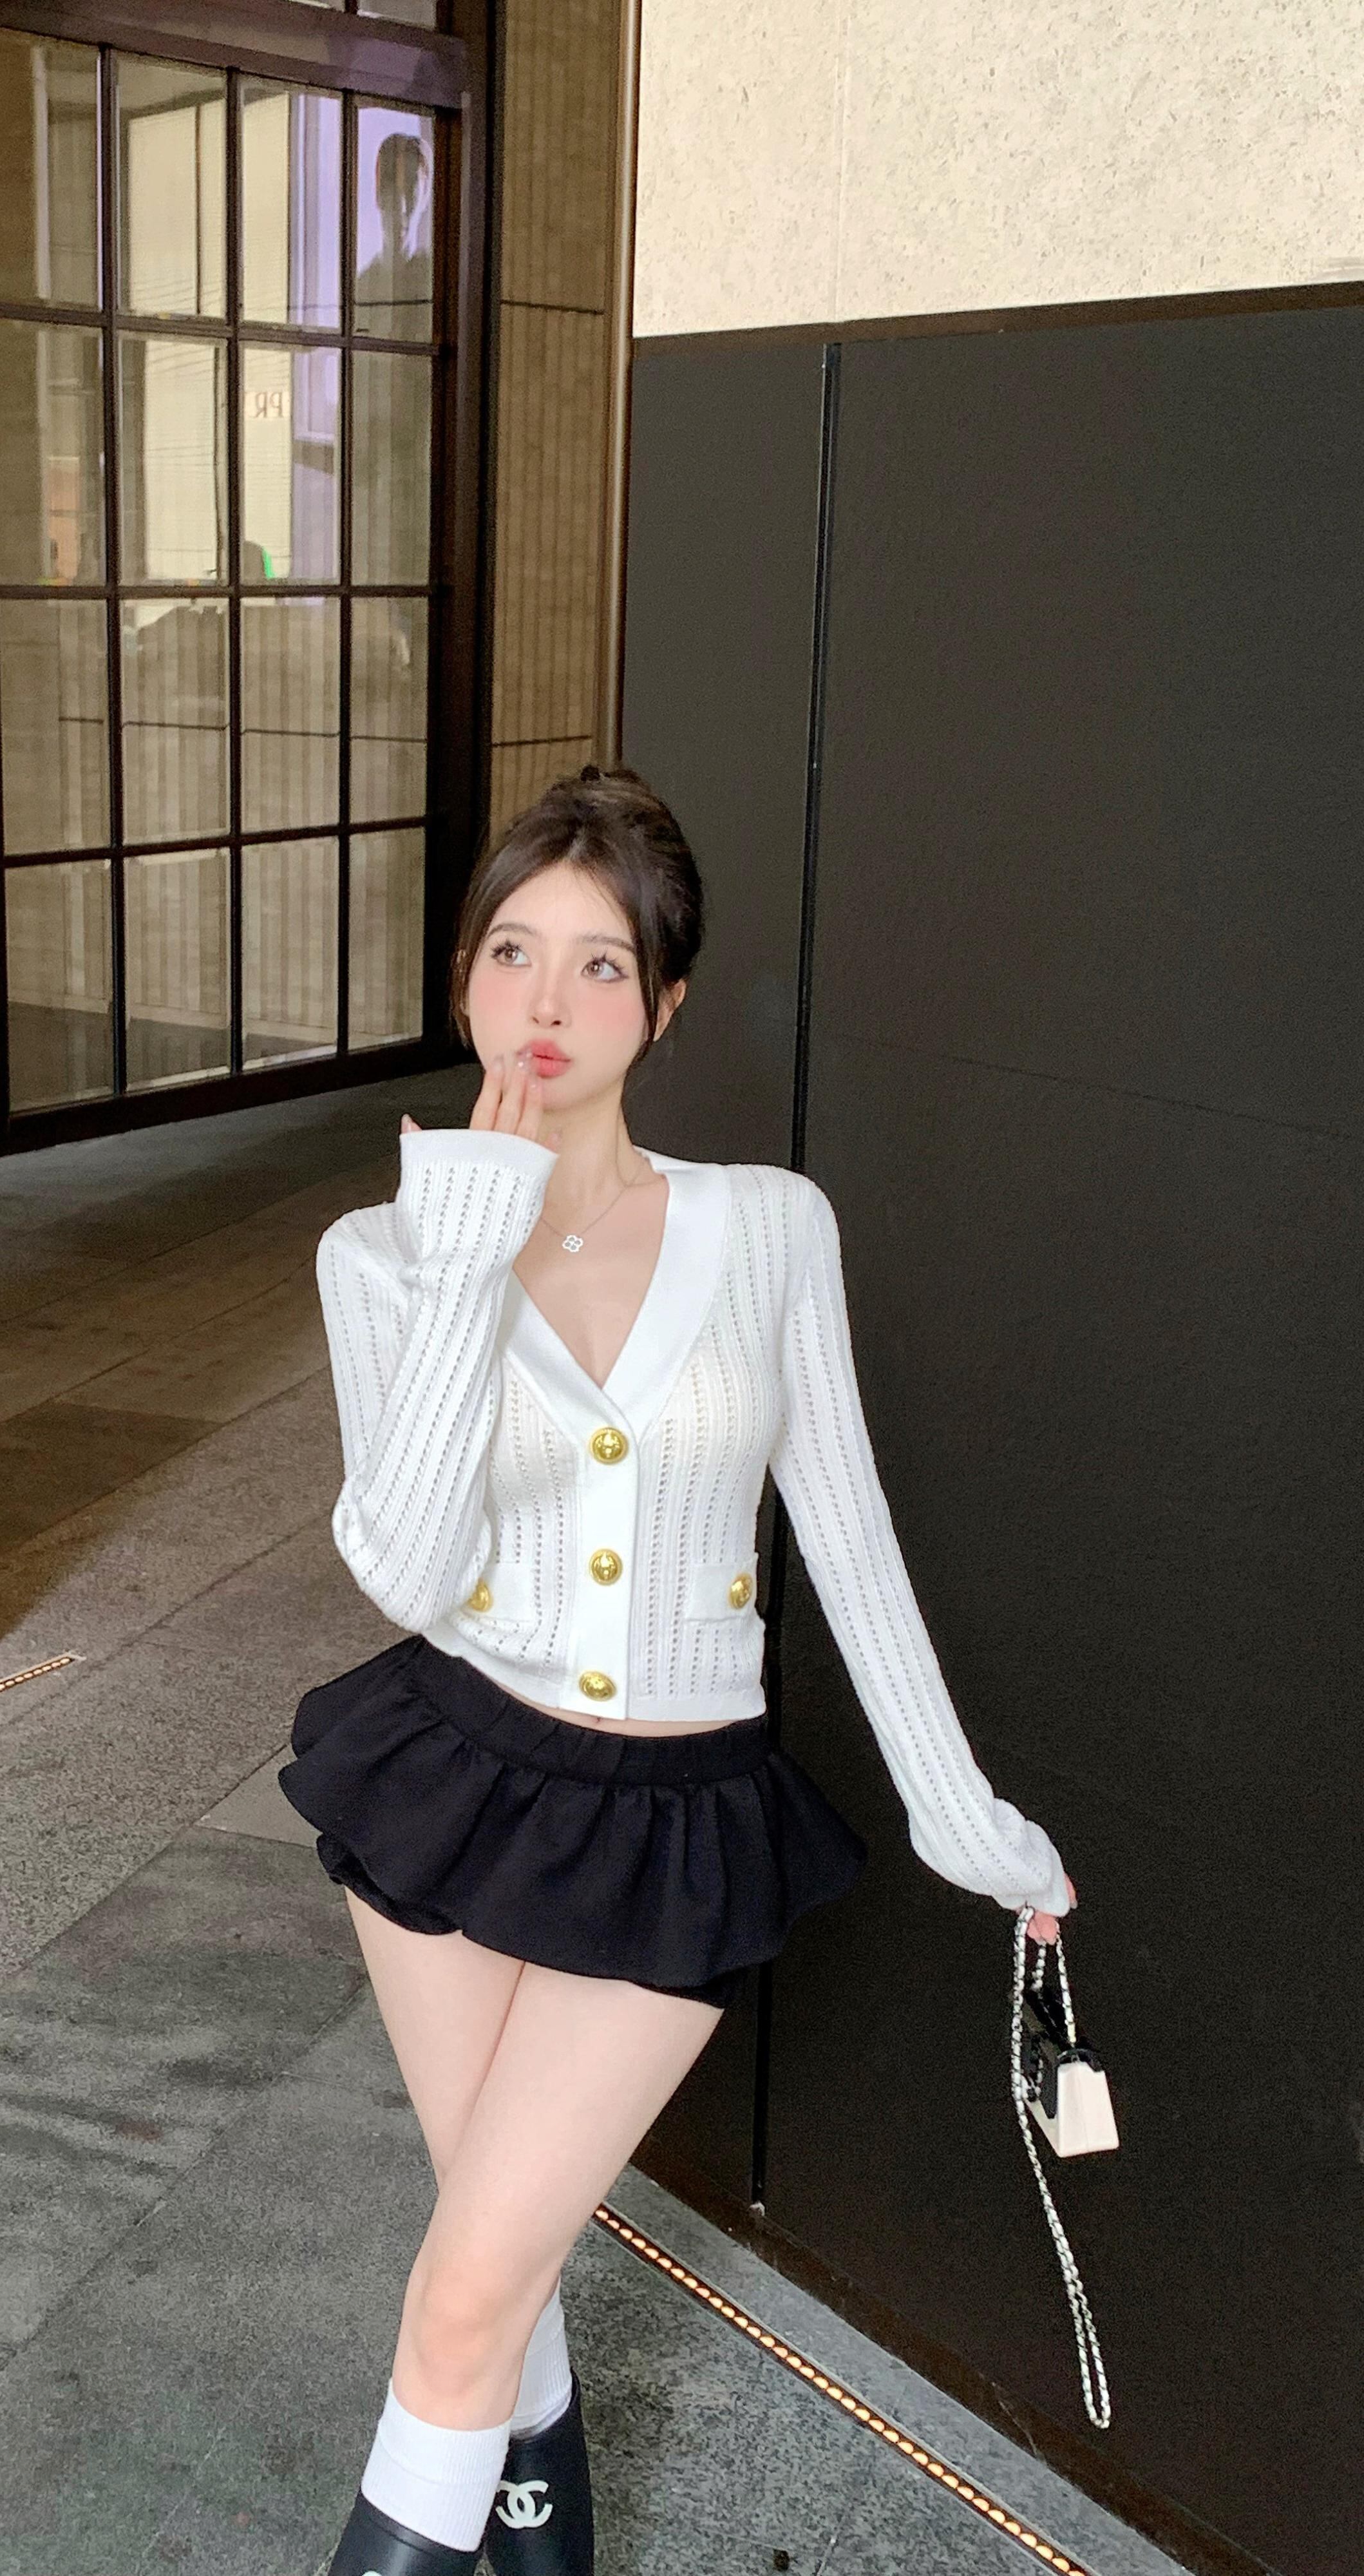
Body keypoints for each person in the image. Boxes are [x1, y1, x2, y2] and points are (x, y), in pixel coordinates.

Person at [278, 767, 1075, 2576]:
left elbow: (848, 1542)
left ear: (667, 1003)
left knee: (469, 2287)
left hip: (671, 1820)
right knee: (496, 2265)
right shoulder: (381, 1253)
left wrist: (974, 1830)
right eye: (512, 954)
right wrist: (465, 1250)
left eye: (602, 965)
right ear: (463, 981)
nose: (547, 1005)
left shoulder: (770, 1227)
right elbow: (402, 1566)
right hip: (454, 1775)